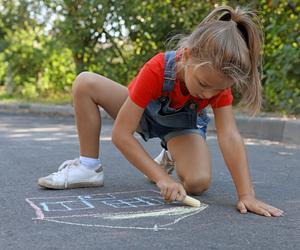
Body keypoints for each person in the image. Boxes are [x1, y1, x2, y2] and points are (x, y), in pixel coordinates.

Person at [38, 5, 284, 217]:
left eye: (216, 90)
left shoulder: (217, 84)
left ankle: (170, 155)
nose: (208, 95)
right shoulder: (157, 68)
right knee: (85, 82)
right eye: (204, 84)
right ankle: (88, 166)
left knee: (198, 182)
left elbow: (229, 136)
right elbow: (121, 134)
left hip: (181, 127)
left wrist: (246, 194)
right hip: (141, 114)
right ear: (187, 56)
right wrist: (161, 178)